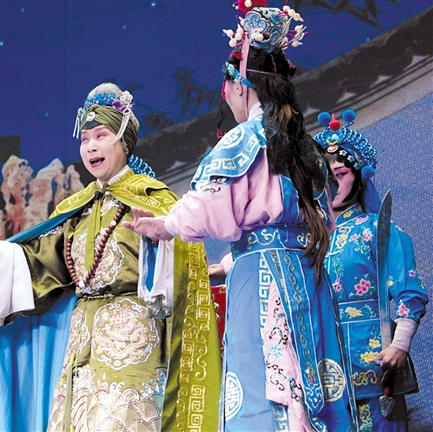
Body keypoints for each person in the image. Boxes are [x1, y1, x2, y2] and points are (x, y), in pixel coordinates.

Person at [123, 2, 356, 430]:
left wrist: (166, 225)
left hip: (262, 278)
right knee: (313, 378)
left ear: (240, 86)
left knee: (259, 383)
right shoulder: (304, 146)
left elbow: (207, 205)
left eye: (227, 87)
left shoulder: (245, 139)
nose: (226, 96)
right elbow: (306, 220)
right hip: (307, 275)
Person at [0, 83, 221, 432]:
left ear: (123, 141)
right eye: (85, 139)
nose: (90, 146)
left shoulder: (153, 199)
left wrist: (158, 243)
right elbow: (40, 260)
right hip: (80, 347)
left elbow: (182, 264)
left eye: (101, 136)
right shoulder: (77, 209)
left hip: (132, 343)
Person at [314, 109, 428, 431]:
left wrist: (400, 344)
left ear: (360, 175)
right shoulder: (311, 240)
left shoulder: (380, 230)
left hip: (375, 364)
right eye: (325, 177)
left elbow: (409, 290)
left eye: (340, 174)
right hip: (325, 367)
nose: (332, 183)